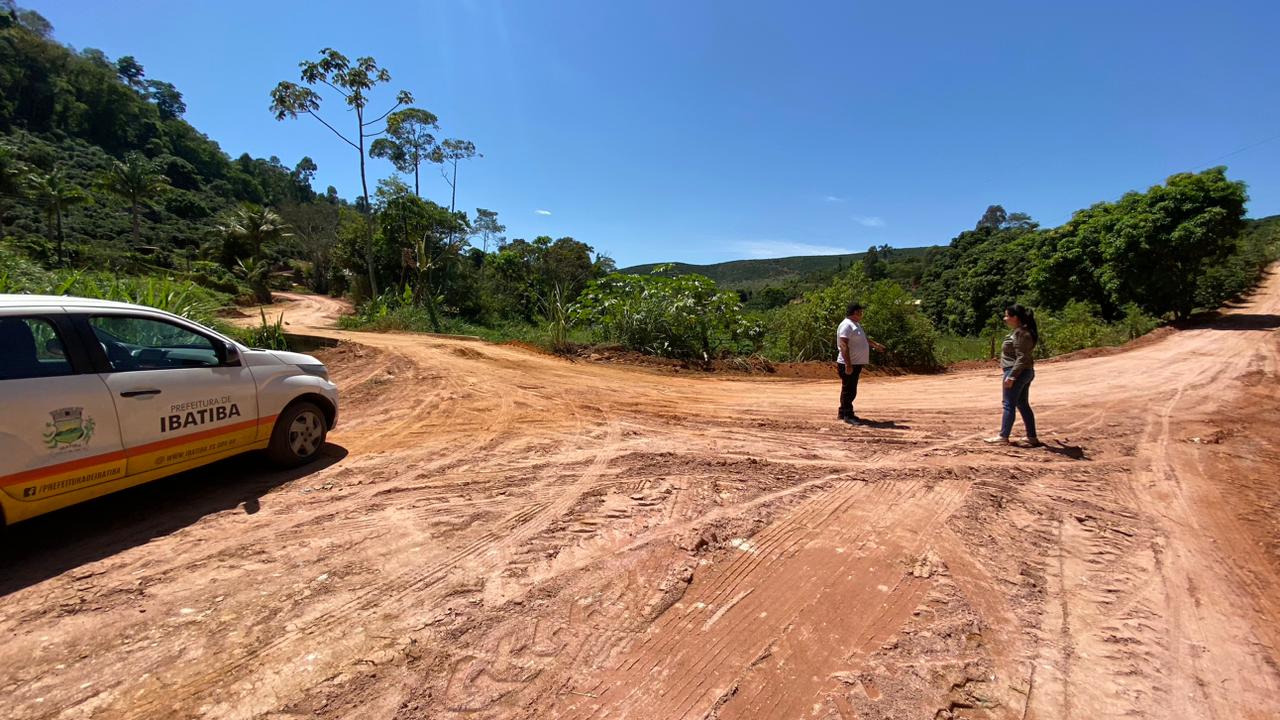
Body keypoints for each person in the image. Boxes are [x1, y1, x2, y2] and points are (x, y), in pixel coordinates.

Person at [986, 304, 1041, 446]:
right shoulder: (1021, 331)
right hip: (1023, 372)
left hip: (1016, 372)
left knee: (1008, 404)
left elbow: (1022, 357)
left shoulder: (1021, 333)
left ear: (1015, 317)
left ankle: (1003, 437)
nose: (1005, 319)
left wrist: (1012, 376)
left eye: (1007, 316)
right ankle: (1032, 437)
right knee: (1022, 404)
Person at [836, 302, 886, 424]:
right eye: (861, 311)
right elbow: (843, 344)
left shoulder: (855, 325)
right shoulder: (847, 325)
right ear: (856, 312)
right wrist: (848, 364)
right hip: (848, 363)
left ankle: (843, 412)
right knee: (850, 390)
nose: (862, 314)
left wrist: (875, 345)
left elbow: (863, 339)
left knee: (849, 388)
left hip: (854, 363)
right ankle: (848, 415)